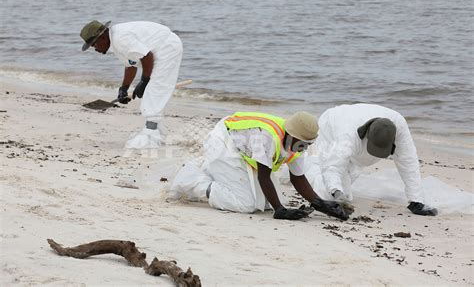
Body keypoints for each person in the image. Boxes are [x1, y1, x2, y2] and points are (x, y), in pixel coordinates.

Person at [169, 111, 350, 221]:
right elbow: (264, 176)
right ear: (292, 134)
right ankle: (193, 180)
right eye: (303, 142)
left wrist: (320, 203)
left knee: (263, 204)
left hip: (244, 148)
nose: (305, 147)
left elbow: (298, 177)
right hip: (224, 143)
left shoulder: (296, 142)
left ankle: (216, 174)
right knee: (246, 204)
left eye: (309, 144)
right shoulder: (267, 137)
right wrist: (280, 211)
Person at [304, 103, 438, 216]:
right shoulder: (347, 136)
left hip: (353, 134)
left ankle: (338, 182)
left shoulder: (400, 128)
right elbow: (332, 166)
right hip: (330, 126)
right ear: (367, 135)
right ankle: (309, 171)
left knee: (349, 182)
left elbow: (408, 162)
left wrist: (416, 200)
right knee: (332, 194)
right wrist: (337, 192)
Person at [80, 20, 183, 149]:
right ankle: (156, 131)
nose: (95, 49)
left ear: (103, 37)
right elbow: (131, 64)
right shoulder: (115, 41)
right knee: (153, 89)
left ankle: (151, 133)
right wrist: (124, 88)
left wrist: (144, 81)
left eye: (94, 44)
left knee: (155, 88)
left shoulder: (120, 39)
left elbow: (147, 56)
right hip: (159, 48)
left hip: (167, 47)